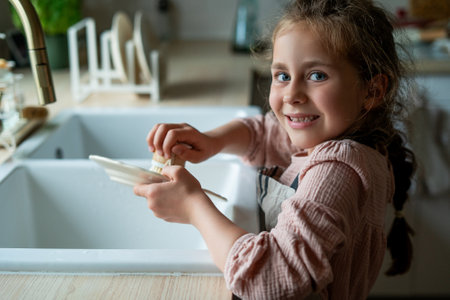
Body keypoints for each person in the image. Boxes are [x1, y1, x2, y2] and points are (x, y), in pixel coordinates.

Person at [134, 0, 416, 298]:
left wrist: (193, 207)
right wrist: (212, 140)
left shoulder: (339, 168)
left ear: (372, 90)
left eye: (317, 75)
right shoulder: (329, 137)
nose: (292, 94)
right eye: (282, 75)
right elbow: (264, 131)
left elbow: (271, 276)